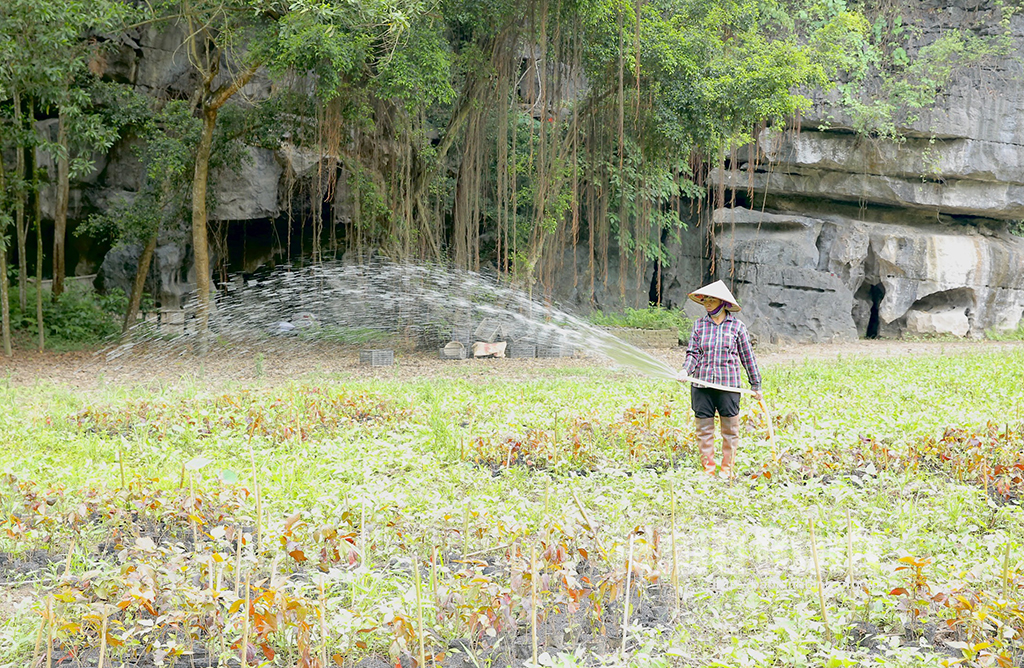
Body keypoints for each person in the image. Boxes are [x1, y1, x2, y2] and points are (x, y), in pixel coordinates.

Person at [679, 280, 762, 478]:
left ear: (722, 303)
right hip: (702, 384)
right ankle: (708, 470)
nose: (707, 302)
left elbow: (747, 357)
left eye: (712, 299)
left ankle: (727, 470)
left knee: (730, 430)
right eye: (705, 299)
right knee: (704, 430)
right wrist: (685, 371)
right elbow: (693, 353)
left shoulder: (737, 327)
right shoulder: (699, 326)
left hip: (729, 386)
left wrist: (756, 384)